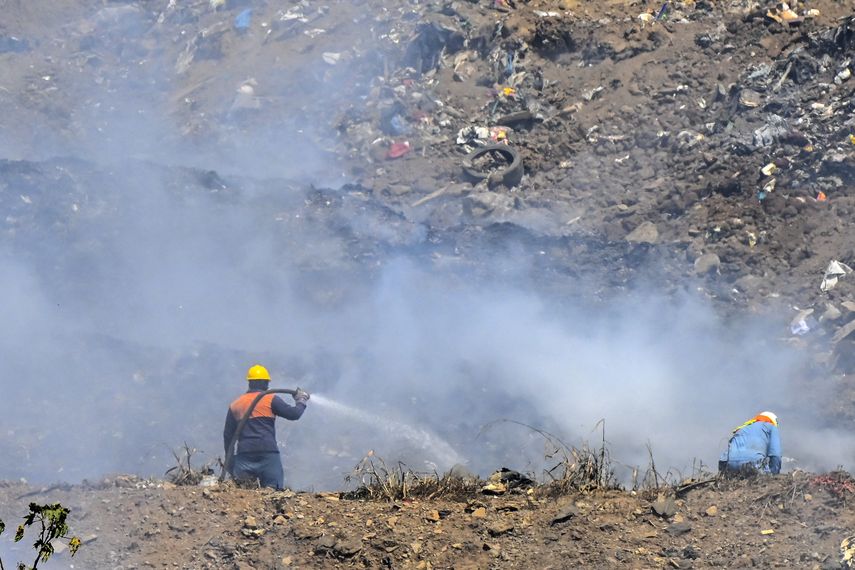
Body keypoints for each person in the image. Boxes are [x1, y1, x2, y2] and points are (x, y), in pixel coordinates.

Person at [223, 364, 309, 489]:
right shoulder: (270, 399)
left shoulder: (236, 404)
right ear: (265, 383)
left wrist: (229, 461)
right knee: (274, 492)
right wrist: (301, 400)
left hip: (244, 456)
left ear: (250, 383)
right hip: (268, 455)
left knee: (242, 493)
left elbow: (228, 436)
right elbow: (294, 414)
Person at [718, 411, 781, 475]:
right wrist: (774, 474)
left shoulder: (742, 428)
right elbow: (775, 454)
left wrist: (723, 473)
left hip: (730, 465)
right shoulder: (771, 427)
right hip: (754, 464)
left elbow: (725, 456)